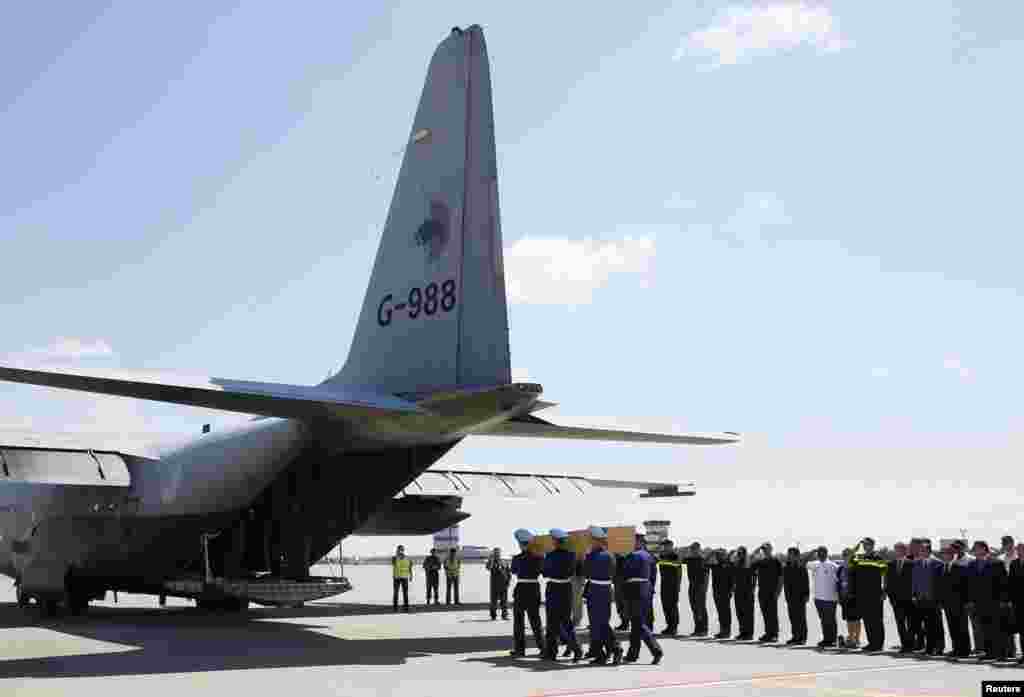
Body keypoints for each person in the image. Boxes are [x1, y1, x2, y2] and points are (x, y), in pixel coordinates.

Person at [621, 526, 663, 664]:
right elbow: (653, 575)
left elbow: (625, 575)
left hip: (634, 590)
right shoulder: (649, 556)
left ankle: (656, 649)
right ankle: (632, 654)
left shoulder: (633, 556)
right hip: (646, 590)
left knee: (638, 623)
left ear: (638, 542)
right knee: (636, 623)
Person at [583, 526, 623, 665]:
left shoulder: (592, 555)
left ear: (596, 541)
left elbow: (585, 573)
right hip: (606, 590)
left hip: (595, 590)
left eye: (591, 540)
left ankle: (615, 648)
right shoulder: (610, 555)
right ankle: (603, 654)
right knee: (601, 623)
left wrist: (586, 556)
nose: (590, 543)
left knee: (598, 624)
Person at [542, 528, 583, 662]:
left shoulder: (550, 555)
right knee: (566, 621)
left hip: (553, 588)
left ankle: (551, 652)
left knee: (552, 622)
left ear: (554, 541)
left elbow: (545, 573)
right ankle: (577, 649)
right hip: (566, 588)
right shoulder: (571, 555)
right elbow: (575, 571)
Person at [969, 540, 1010, 662]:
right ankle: (989, 652)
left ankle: (1002, 653)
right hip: (979, 602)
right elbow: (970, 584)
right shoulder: (972, 564)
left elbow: (1003, 583)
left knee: (998, 629)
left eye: (976, 548)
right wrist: (971, 600)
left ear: (984, 549)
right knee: (985, 628)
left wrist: (1004, 600)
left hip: (995, 601)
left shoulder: (996, 563)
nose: (974, 551)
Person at [509, 528, 545, 657]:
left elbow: (513, 571)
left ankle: (520, 649)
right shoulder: (538, 557)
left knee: (518, 622)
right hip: (534, 588)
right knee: (536, 621)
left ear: (520, 544)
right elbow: (543, 571)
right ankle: (543, 648)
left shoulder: (517, 558)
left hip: (521, 589)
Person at [849, 537, 886, 652]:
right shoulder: (860, 558)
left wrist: (884, 591)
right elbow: (850, 561)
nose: (865, 546)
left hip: (875, 594)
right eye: (864, 544)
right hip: (863, 594)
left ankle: (878, 644)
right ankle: (871, 643)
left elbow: (885, 575)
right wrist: (856, 548)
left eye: (867, 544)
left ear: (872, 545)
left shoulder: (878, 558)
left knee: (876, 620)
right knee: (867, 620)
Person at [910, 538, 944, 655]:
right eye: (920, 550)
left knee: (936, 625)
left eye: (923, 550)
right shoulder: (917, 563)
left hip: (933, 599)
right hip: (921, 598)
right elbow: (914, 581)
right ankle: (929, 648)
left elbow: (940, 584)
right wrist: (914, 594)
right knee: (927, 625)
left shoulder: (938, 563)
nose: (921, 552)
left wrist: (940, 599)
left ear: (929, 551)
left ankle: (939, 647)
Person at [937, 544, 971, 658]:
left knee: (962, 627)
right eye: (944, 554)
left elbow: (965, 587)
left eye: (948, 554)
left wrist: (966, 601)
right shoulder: (941, 568)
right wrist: (941, 601)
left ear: (953, 555)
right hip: (947, 603)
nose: (945, 556)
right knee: (952, 627)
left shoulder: (960, 568)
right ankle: (956, 648)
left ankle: (964, 650)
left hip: (959, 603)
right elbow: (940, 587)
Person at [885, 542, 914, 652]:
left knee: (911, 623)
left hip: (909, 599)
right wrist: (890, 596)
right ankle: (904, 644)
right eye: (896, 549)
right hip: (896, 600)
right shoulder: (890, 564)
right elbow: (888, 582)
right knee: (900, 623)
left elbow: (913, 581)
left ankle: (911, 644)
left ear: (905, 551)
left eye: (900, 549)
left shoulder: (911, 563)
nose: (898, 551)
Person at [753, 542, 782, 642]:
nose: (765, 551)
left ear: (771, 549)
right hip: (762, 591)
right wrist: (757, 550)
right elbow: (749, 562)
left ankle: (774, 634)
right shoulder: (760, 561)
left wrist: (778, 592)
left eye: (767, 549)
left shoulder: (776, 561)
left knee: (772, 614)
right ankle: (768, 633)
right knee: (765, 613)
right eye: (764, 549)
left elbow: (781, 577)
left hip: (772, 591)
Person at [812, 546, 839, 648]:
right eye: (818, 553)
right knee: (824, 620)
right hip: (818, 598)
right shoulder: (815, 564)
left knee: (831, 620)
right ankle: (826, 639)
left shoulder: (833, 566)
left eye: (822, 552)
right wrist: (812, 551)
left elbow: (839, 580)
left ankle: (833, 640)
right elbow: (802, 561)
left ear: (826, 553)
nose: (820, 554)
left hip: (830, 598)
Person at [682, 541, 711, 637]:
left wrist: (704, 588)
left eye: (695, 549)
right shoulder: (689, 559)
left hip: (701, 586)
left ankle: (704, 629)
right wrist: (686, 552)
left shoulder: (703, 560)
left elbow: (707, 574)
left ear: (699, 549)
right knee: (694, 608)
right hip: (692, 586)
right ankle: (697, 629)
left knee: (701, 608)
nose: (693, 551)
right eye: (692, 549)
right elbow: (681, 559)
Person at [783, 547, 810, 645]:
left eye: (792, 554)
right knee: (793, 617)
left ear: (796, 555)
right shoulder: (786, 567)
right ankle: (795, 636)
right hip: (790, 596)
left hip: (800, 596)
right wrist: (786, 595)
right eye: (789, 554)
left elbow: (806, 581)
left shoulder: (801, 567)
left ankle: (802, 638)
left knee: (801, 618)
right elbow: (785, 583)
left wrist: (807, 594)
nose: (789, 556)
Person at [656, 539, 683, 636]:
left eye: (667, 546)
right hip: (664, 584)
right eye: (664, 546)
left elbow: (676, 564)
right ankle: (669, 626)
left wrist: (661, 561)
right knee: (666, 606)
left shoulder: (676, 555)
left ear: (671, 546)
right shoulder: (662, 555)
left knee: (672, 606)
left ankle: (674, 627)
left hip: (673, 585)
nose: (665, 547)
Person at [837, 547, 861, 648]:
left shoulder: (856, 567)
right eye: (845, 554)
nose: (846, 556)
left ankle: (856, 639)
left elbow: (859, 582)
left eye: (848, 554)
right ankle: (851, 638)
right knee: (848, 619)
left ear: (852, 555)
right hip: (844, 597)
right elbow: (838, 582)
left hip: (854, 597)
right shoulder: (841, 568)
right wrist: (839, 596)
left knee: (856, 619)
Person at [732, 546, 756, 640]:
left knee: (748, 614)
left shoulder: (749, 563)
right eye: (739, 553)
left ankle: (749, 634)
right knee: (739, 612)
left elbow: (754, 577)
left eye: (742, 553)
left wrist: (753, 588)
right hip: (738, 591)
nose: (740, 555)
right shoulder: (737, 564)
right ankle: (742, 632)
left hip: (748, 591)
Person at [710, 548, 735, 639]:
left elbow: (733, 580)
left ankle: (727, 631)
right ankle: (722, 630)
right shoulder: (715, 565)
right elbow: (704, 563)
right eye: (717, 555)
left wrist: (731, 591)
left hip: (726, 592)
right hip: (716, 592)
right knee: (720, 613)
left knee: (725, 613)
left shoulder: (730, 565)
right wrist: (711, 553)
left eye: (720, 555)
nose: (718, 556)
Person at [486, 547, 511, 620]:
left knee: (504, 601)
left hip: (503, 584)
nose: (497, 554)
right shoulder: (491, 562)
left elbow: (508, 572)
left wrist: (508, 581)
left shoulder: (504, 561)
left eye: (498, 552)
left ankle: (504, 615)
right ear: (493, 553)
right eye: (496, 553)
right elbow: (488, 568)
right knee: (493, 601)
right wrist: (491, 560)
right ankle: (493, 615)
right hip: (494, 585)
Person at [1010, 543, 1024, 665]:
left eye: (1022, 549)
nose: (1020, 551)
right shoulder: (1014, 563)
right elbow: (1011, 583)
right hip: (1018, 603)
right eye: (1018, 550)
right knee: (1021, 631)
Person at [392, 544, 412, 613]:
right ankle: (395, 607)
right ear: (397, 550)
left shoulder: (407, 558)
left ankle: (406, 607)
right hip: (396, 578)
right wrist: (397, 555)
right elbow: (393, 562)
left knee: (405, 593)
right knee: (396, 593)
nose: (400, 551)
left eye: (401, 550)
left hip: (404, 577)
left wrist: (411, 575)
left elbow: (410, 567)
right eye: (399, 550)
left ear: (403, 550)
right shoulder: (394, 558)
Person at [613, 551, 630, 631]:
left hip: (623, 584)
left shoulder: (625, 558)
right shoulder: (615, 558)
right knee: (619, 604)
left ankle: (625, 623)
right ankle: (623, 622)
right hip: (617, 583)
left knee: (623, 604)